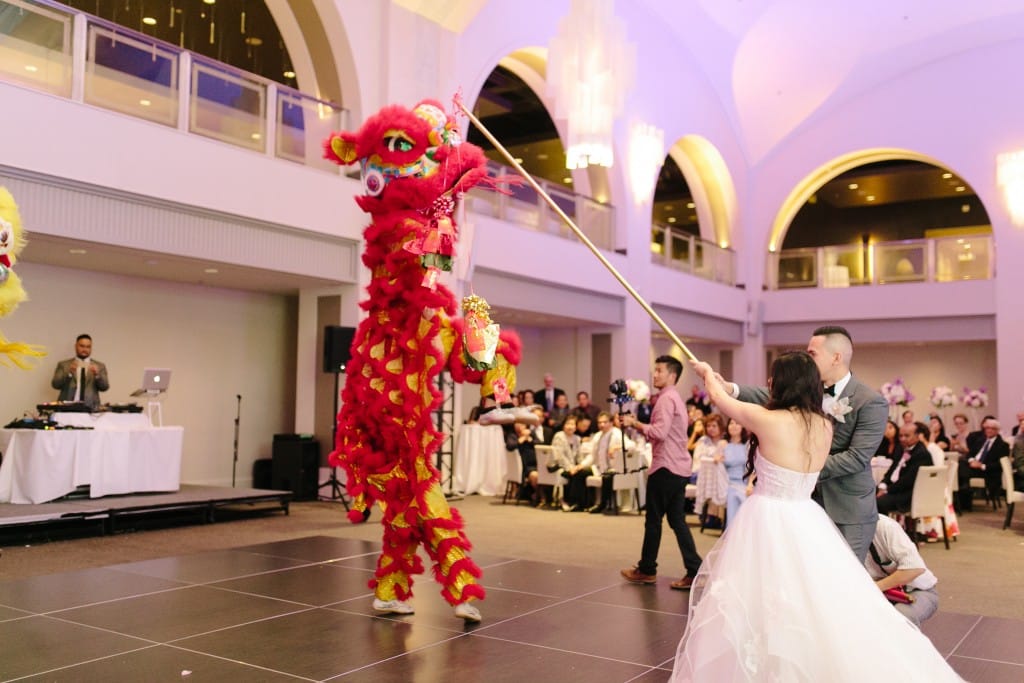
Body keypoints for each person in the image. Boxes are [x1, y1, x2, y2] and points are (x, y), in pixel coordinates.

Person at [675, 352, 961, 681]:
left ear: (778, 383)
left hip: (769, 516)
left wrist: (707, 371)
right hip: (807, 516)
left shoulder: (768, 420)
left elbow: (718, 398)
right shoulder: (824, 425)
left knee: (762, 597)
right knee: (811, 598)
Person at [728, 325, 887, 562]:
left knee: (844, 577)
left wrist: (802, 468)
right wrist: (730, 389)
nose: (807, 358)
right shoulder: (808, 391)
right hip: (806, 506)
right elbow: (766, 395)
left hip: (848, 509)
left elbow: (857, 457)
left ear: (836, 357)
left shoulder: (870, 402)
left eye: (813, 353)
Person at [619, 355, 703, 590]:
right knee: (676, 520)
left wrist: (635, 424)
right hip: (678, 466)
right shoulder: (675, 398)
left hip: (666, 466)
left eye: (659, 371)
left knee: (654, 520)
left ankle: (647, 570)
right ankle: (695, 569)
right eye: (654, 371)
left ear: (672, 375)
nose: (654, 374)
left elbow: (660, 432)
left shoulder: (667, 399)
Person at [866, 514, 942, 627]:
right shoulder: (836, 533)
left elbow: (915, 568)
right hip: (878, 594)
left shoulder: (885, 526)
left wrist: (873, 588)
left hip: (916, 591)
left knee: (900, 617)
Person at [876, 422, 933, 515]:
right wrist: (883, 485)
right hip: (896, 489)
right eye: (900, 436)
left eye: (907, 436)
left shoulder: (921, 454)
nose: (902, 439)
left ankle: (884, 528)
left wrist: (887, 490)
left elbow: (907, 481)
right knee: (866, 493)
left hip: (908, 495)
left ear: (917, 436)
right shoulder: (900, 448)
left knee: (877, 502)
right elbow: (891, 470)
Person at [957, 416, 1008, 511]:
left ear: (997, 430)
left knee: (961, 470)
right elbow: (970, 454)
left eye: (992, 429)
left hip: (987, 472)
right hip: (973, 467)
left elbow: (999, 465)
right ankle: (962, 494)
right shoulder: (981, 441)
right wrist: (972, 461)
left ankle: (962, 497)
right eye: (987, 428)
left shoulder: (1003, 445)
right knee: (960, 463)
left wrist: (982, 465)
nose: (989, 431)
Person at [51, 333, 110, 412]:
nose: (85, 349)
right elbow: (55, 385)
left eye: (88, 347)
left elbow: (105, 387)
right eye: (82, 346)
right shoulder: (64, 365)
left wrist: (97, 375)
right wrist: (69, 373)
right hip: (66, 408)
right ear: (75, 346)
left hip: (91, 408)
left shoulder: (99, 366)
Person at [722, 417, 750, 529]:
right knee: (733, 496)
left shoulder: (747, 446)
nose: (733, 426)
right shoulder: (723, 445)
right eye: (731, 423)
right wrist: (718, 461)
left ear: (742, 427)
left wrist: (750, 485)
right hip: (727, 483)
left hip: (744, 483)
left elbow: (752, 468)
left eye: (737, 423)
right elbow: (716, 469)